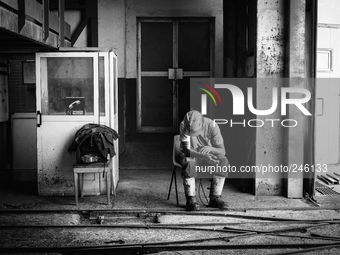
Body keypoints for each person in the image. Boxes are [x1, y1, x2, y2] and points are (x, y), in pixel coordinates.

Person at [179, 110, 229, 211]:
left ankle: (215, 198)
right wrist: (202, 156)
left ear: (201, 124)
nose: (193, 135)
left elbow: (222, 151)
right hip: (192, 154)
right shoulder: (184, 125)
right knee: (188, 162)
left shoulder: (212, 126)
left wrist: (211, 149)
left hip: (208, 154)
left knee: (223, 160)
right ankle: (191, 199)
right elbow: (186, 151)